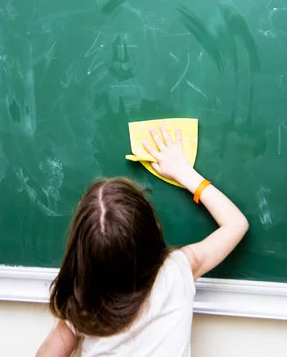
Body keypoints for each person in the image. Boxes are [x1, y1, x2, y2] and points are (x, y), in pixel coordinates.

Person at [36, 126, 249, 357]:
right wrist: (184, 172)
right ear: (153, 230)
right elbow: (236, 224)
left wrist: (70, 308)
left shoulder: (83, 298)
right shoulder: (176, 271)